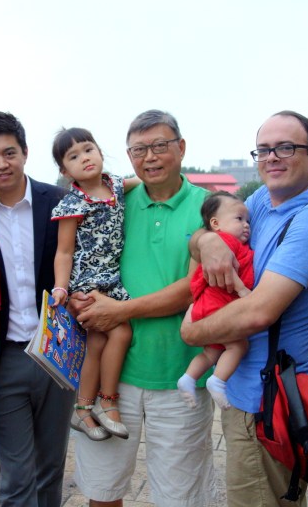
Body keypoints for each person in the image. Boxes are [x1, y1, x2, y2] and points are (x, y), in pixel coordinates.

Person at [181, 110, 308, 507]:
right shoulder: (262, 202)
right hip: (249, 392)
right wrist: (206, 242)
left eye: (286, 148)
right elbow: (210, 225)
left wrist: (191, 331)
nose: (272, 157)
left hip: (268, 402)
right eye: (264, 150)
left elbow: (259, 312)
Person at [70, 110, 216, 507]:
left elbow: (192, 287)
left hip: (181, 375)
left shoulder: (209, 208)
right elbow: (78, 251)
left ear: (181, 148)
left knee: (180, 497)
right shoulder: (116, 200)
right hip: (111, 380)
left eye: (160, 146)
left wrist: (119, 312)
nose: (149, 157)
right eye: (138, 149)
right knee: (103, 491)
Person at [0, 111, 76, 507]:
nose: (1, 164)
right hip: (2, 356)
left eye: (9, 153)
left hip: (55, 351)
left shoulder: (57, 201)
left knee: (51, 467)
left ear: (25, 153)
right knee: (17, 471)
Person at [50, 127, 140, 441]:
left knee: (98, 344)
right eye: (73, 156)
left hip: (111, 281)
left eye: (88, 149)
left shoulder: (116, 184)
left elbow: (144, 180)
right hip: (86, 286)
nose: (84, 158)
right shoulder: (73, 204)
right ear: (65, 171)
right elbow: (63, 252)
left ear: (100, 151)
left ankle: (83, 409)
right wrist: (62, 287)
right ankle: (107, 401)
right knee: (121, 331)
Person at [177, 190, 253, 411]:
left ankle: (189, 378)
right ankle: (217, 380)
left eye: (247, 220)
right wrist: (242, 291)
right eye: (239, 219)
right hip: (217, 306)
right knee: (238, 345)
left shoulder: (225, 240)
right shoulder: (226, 243)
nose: (246, 224)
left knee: (211, 352)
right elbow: (229, 273)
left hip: (206, 307)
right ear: (216, 223)